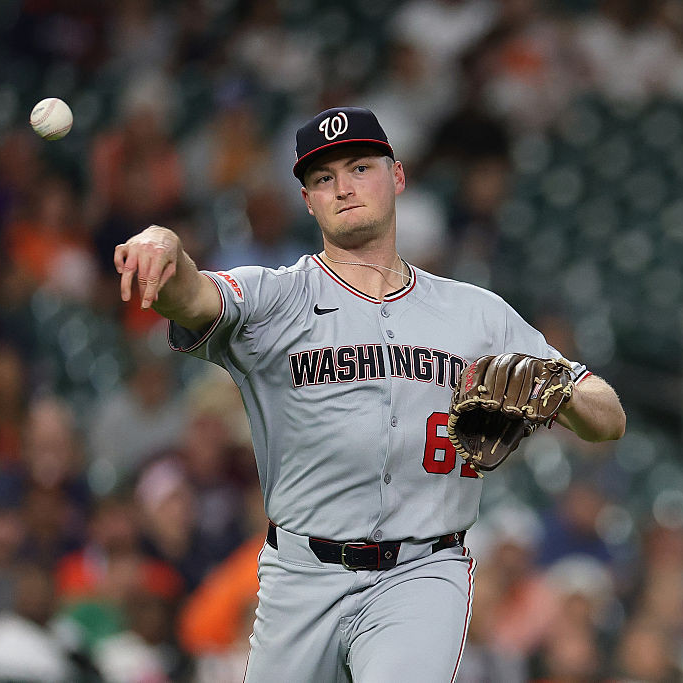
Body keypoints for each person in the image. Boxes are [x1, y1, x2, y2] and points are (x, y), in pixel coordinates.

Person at [113, 106, 626, 682]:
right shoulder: (276, 298)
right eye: (324, 178)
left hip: (424, 573)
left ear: (398, 177)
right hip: (301, 573)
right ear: (307, 201)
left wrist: (555, 390)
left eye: (360, 167)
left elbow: (607, 417)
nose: (344, 188)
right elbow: (190, 296)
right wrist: (163, 244)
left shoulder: (475, 313)